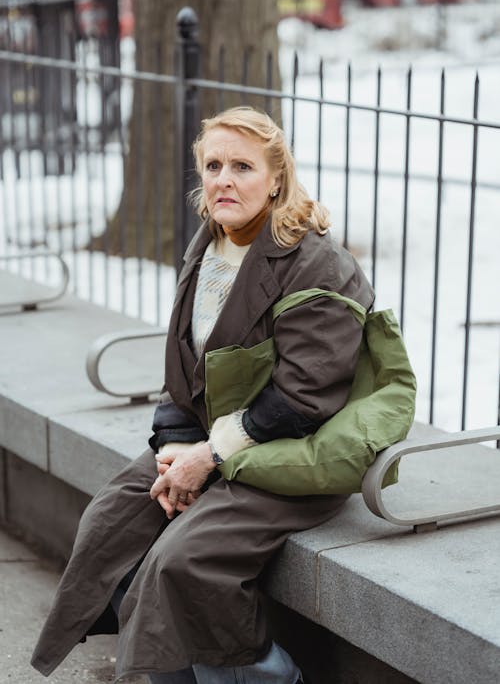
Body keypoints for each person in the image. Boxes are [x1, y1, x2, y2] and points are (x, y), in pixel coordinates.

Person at [31, 106, 374, 684]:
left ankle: (270, 676)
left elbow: (306, 396)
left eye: (243, 166)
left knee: (181, 561)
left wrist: (207, 457)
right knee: (109, 524)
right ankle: (175, 673)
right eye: (213, 165)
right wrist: (173, 443)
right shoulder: (210, 245)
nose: (224, 179)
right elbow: (185, 367)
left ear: (277, 178)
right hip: (215, 437)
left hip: (292, 454)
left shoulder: (317, 262)